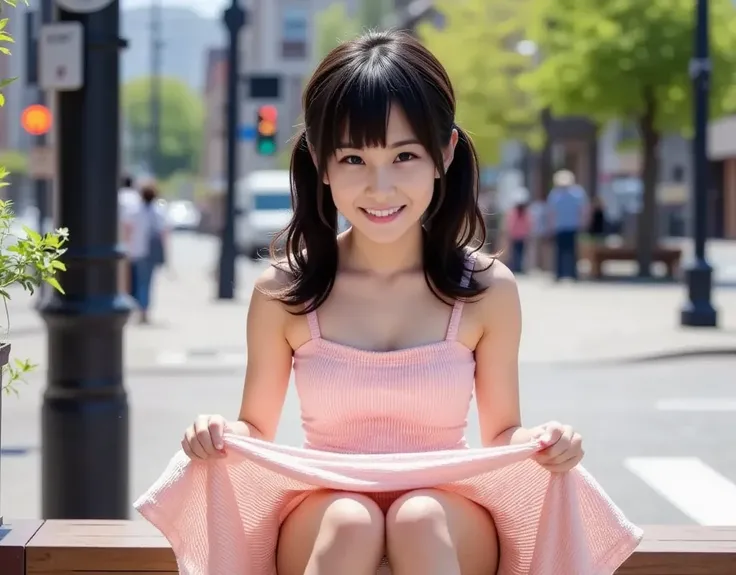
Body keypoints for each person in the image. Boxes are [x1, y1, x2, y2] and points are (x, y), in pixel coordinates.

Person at [136, 31, 640, 575]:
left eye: (404, 155)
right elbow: (254, 430)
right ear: (320, 162)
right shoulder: (283, 291)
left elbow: (500, 434)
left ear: (444, 153)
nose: (380, 188)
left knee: (417, 516)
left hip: (445, 510)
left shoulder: (488, 289)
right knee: (351, 520)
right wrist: (218, 432)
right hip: (325, 508)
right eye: (353, 157)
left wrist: (547, 441)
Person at [123, 182, 167, 324]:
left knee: (136, 281)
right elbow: (163, 234)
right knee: (147, 282)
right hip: (151, 253)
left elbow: (127, 230)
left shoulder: (135, 211)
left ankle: (139, 307)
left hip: (136, 250)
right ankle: (144, 310)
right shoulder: (159, 212)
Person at [546, 170, 589, 281]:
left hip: (562, 226)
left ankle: (561, 274)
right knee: (571, 251)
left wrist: (550, 226)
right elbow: (583, 210)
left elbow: (551, 212)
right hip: (570, 226)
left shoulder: (555, 194)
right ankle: (571, 273)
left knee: (562, 252)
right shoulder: (578, 193)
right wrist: (584, 223)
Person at [504, 193, 531, 273]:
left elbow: (527, 225)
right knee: (517, 252)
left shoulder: (519, 213)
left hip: (519, 236)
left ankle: (519, 267)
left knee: (518, 252)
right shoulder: (517, 213)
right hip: (517, 236)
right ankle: (517, 267)